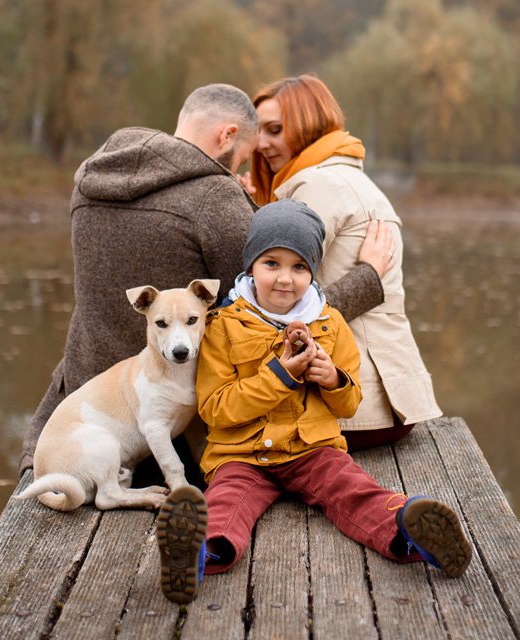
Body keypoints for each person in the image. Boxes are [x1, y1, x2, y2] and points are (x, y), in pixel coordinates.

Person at [19, 83, 393, 484]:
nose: (239, 171)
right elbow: (272, 309)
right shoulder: (215, 198)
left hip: (78, 414)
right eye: (243, 157)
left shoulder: (93, 180)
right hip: (172, 428)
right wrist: (368, 278)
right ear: (227, 135)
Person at [156, 200, 471, 605]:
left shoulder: (330, 324)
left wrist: (333, 379)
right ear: (251, 265)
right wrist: (280, 376)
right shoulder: (222, 325)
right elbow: (216, 409)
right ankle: (195, 553)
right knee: (225, 502)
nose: (285, 278)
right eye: (271, 263)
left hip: (313, 450)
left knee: (353, 489)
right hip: (241, 454)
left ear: (313, 272)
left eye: (300, 267)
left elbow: (349, 404)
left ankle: (410, 530)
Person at [248, 74, 442, 451]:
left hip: (351, 409)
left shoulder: (316, 186)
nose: (260, 144)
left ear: (308, 124)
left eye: (275, 130)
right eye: (258, 132)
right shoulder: (348, 178)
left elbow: (276, 304)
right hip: (390, 404)